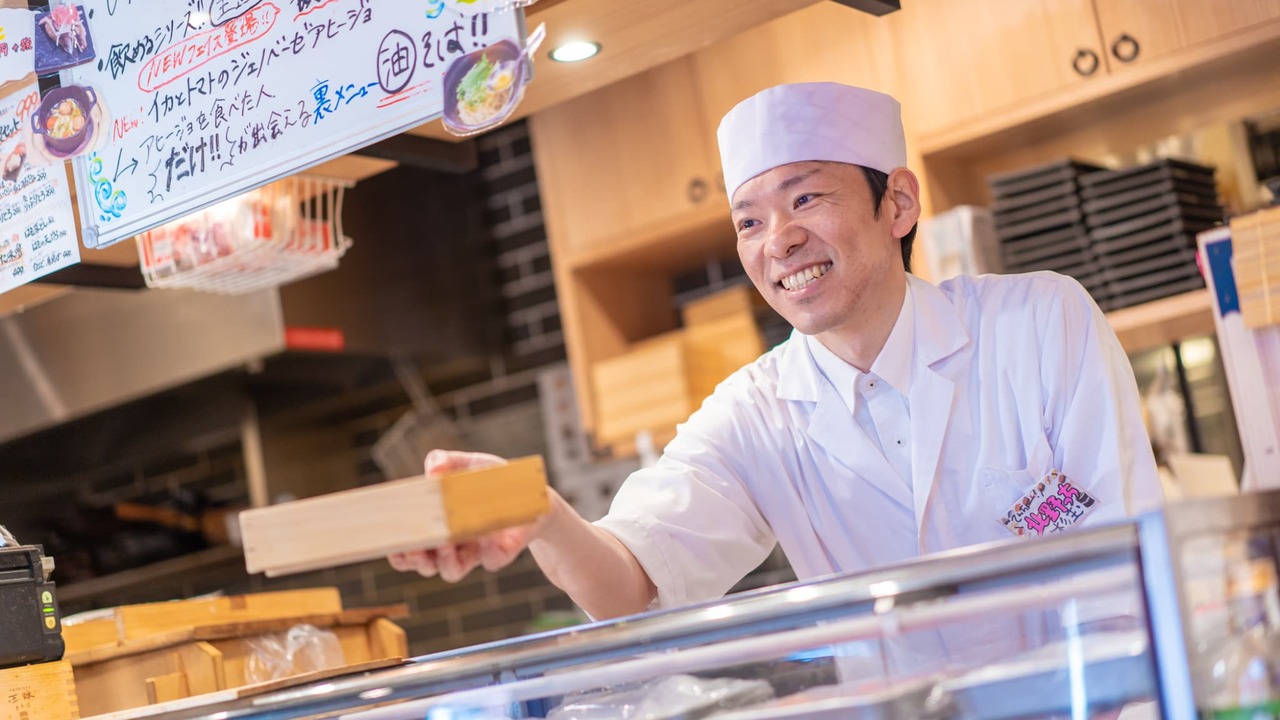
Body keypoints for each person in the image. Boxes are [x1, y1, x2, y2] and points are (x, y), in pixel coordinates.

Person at [389, 82, 1163, 626]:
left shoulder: (1039, 323)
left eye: (805, 199)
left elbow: (1133, 555)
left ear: (897, 202)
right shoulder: (755, 413)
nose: (780, 241)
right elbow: (630, 584)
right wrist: (539, 515)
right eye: (749, 222)